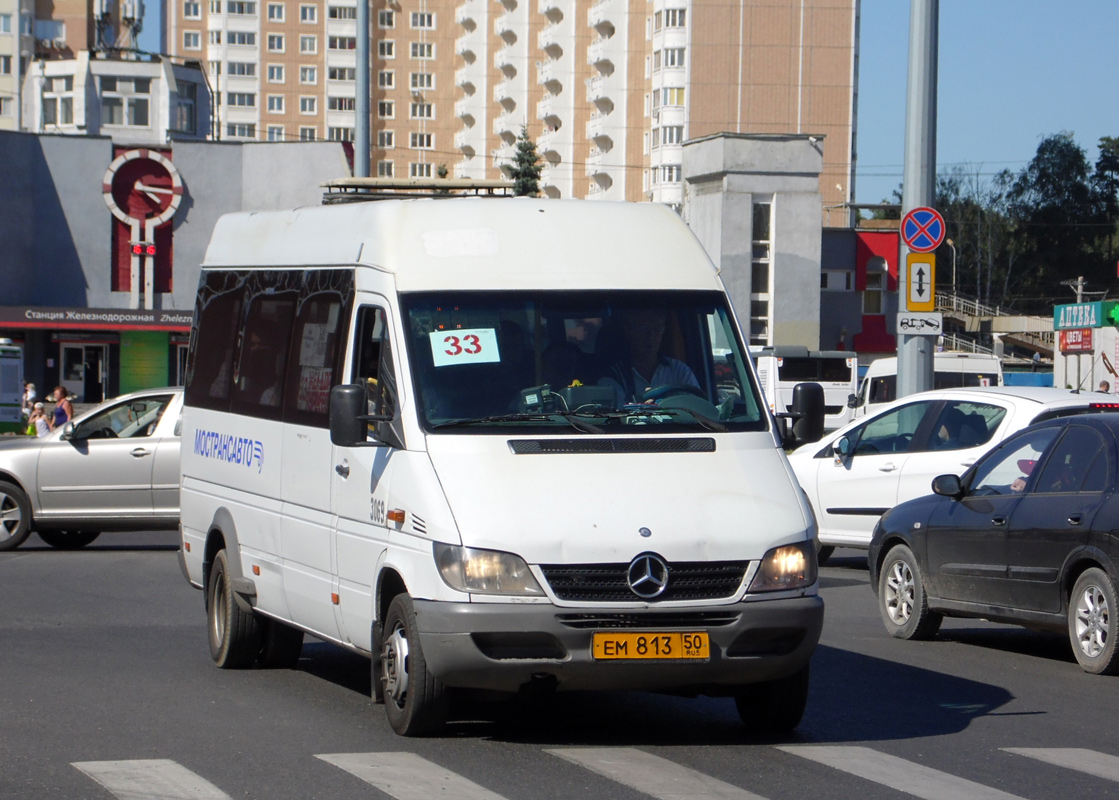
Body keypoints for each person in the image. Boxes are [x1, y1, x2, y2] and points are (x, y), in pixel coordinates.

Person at [600, 307, 699, 405]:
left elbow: (699, 408)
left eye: (657, 329)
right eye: (643, 329)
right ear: (629, 331)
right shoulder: (614, 375)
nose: (650, 336)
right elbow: (615, 417)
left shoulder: (679, 371)